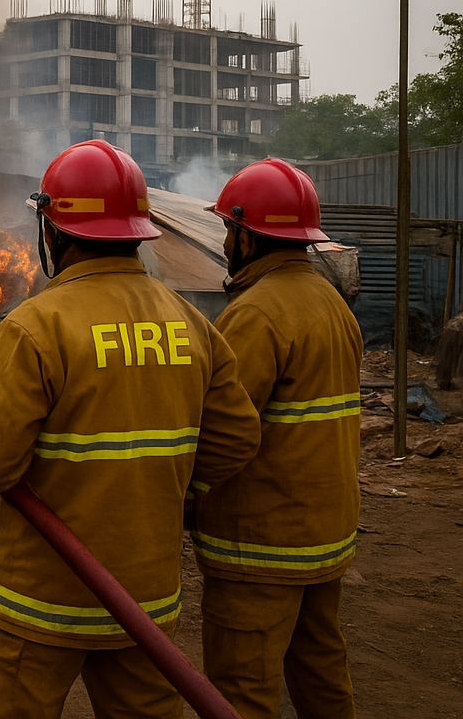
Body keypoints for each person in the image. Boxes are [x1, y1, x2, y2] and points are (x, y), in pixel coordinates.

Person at [0, 140, 261, 719]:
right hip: (145, 600)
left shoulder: (35, 326)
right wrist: (169, 486)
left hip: (42, 599)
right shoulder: (190, 322)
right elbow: (237, 437)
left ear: (53, 229)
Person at [193, 159, 362, 719]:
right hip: (325, 533)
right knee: (321, 671)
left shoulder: (256, 313)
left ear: (247, 236)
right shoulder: (331, 303)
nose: (224, 242)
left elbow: (222, 429)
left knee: (241, 688)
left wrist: (184, 496)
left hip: (261, 543)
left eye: (228, 230)